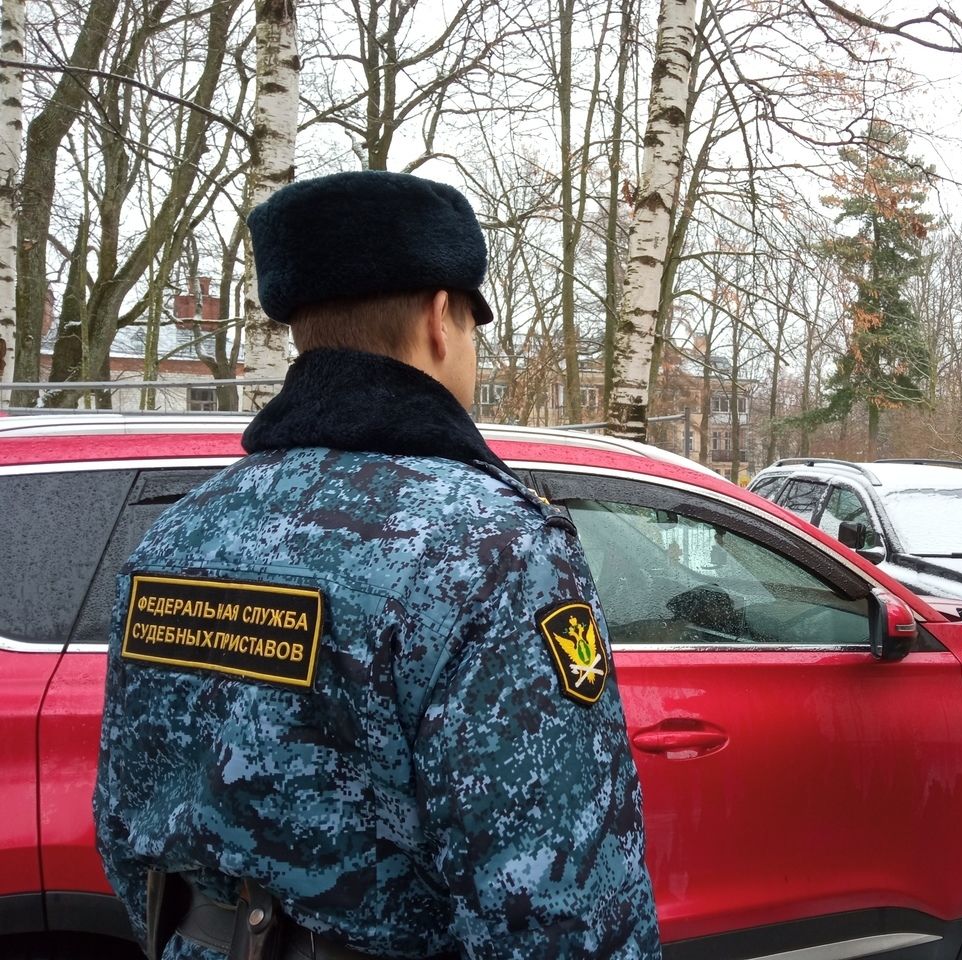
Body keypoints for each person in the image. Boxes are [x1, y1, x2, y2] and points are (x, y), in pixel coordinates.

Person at [93, 171, 661, 960]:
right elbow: (562, 911)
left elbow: (125, 831)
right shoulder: (492, 552)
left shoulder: (180, 534)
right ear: (439, 318)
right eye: (471, 324)